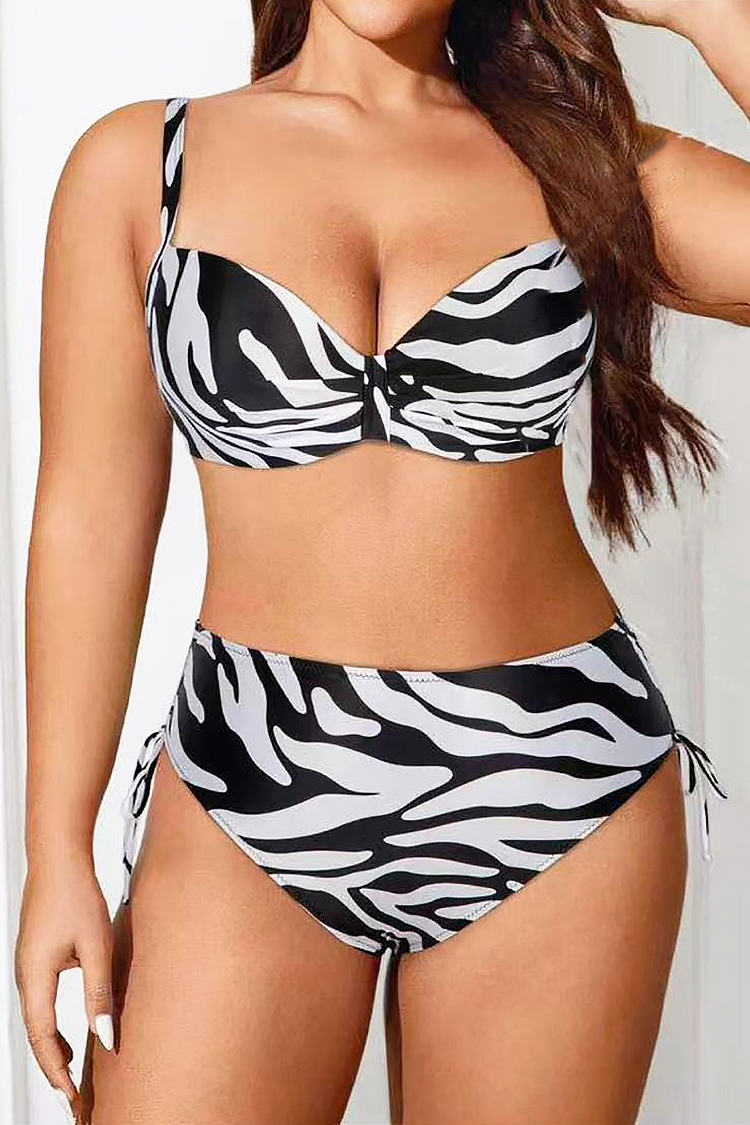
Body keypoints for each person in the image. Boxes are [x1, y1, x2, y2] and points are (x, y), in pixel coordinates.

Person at [14, 1, 749, 1123]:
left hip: (556, 782)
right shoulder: (141, 165)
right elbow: (89, 516)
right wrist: (57, 846)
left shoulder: (581, 166)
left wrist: (702, 9)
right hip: (251, 775)